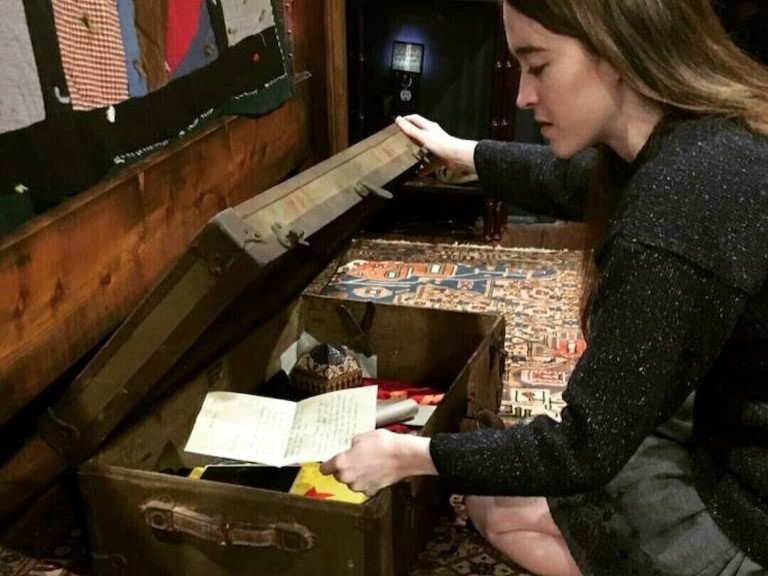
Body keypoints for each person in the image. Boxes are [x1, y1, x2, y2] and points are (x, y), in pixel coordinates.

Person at [320, 1, 768, 575]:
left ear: (616, 51)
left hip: (748, 511)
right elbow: (579, 180)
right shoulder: (703, 136)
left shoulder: (678, 207)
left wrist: (410, 455)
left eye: (538, 66)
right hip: (725, 441)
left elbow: (582, 448)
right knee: (509, 492)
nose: (522, 96)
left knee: (494, 511)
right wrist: (467, 155)